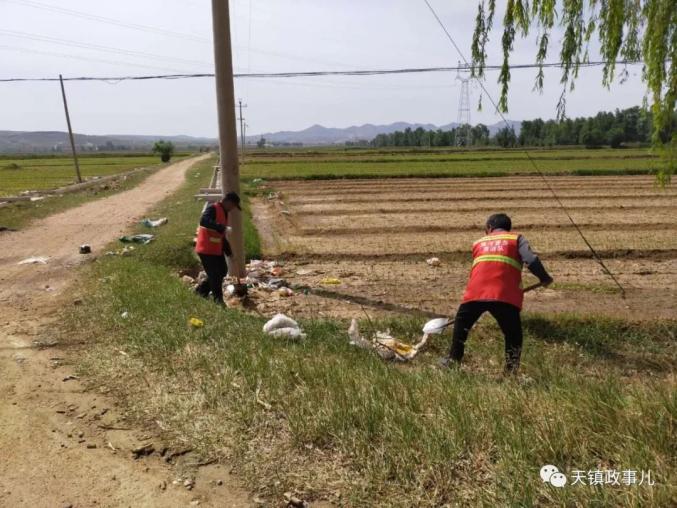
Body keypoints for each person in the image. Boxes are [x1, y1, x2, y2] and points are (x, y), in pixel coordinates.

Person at [440, 213, 553, 373]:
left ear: (489, 228)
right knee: (513, 333)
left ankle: (453, 360)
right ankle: (511, 370)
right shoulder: (516, 239)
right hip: (504, 295)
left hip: (475, 292)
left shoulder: (478, 242)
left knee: (461, 325)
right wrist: (544, 278)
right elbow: (531, 260)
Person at [194, 191, 241, 303]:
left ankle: (201, 292)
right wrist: (222, 227)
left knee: (223, 271)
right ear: (228, 202)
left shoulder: (224, 213)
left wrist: (230, 253)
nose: (233, 209)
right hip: (205, 249)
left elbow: (221, 237)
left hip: (215, 249)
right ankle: (218, 300)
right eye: (233, 206)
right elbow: (203, 221)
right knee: (215, 275)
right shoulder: (213, 208)